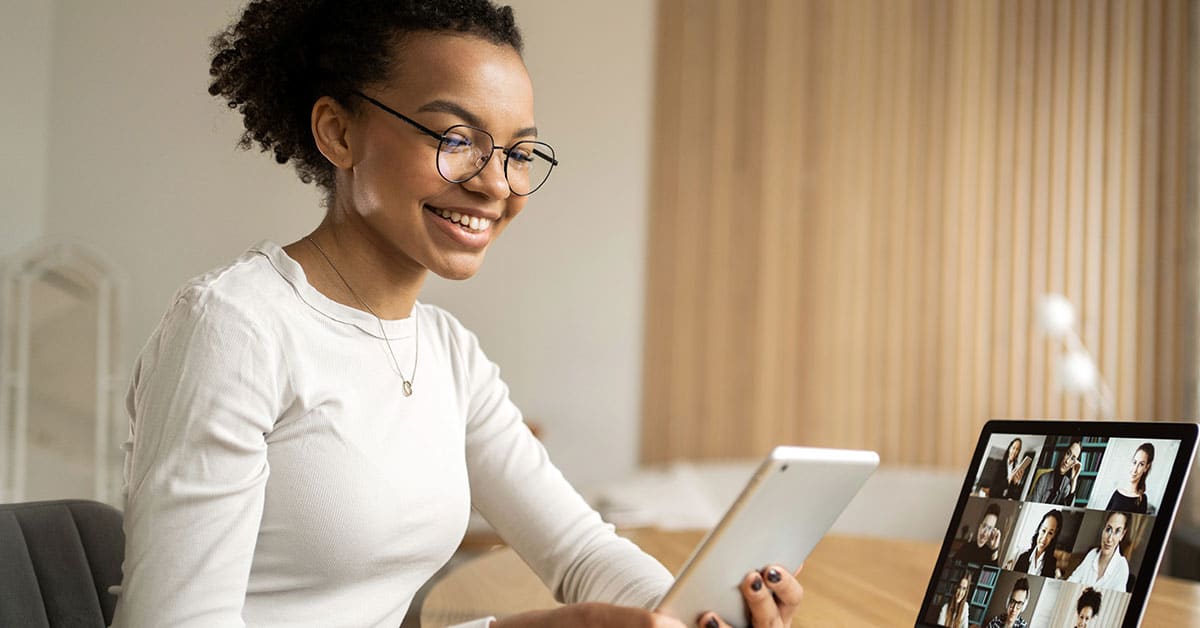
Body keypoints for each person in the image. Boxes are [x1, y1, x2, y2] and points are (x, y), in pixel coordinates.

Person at [110, 2, 803, 627]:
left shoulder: (446, 352)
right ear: (338, 132)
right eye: (455, 137)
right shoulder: (234, 328)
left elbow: (580, 551)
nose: (495, 183)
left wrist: (692, 614)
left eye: (519, 153)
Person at [1068, 511, 1132, 592]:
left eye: (1117, 531)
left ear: (1122, 535)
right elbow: (1072, 580)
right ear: (1104, 529)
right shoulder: (1092, 554)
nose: (1109, 539)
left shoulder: (1122, 566)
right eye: (1108, 529)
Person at [1029, 440, 1083, 506]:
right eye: (1068, 453)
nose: (1067, 461)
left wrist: (1074, 480)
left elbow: (1067, 512)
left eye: (1073, 458)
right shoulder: (1043, 478)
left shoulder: (1067, 487)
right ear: (1064, 453)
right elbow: (1033, 506)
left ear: (1074, 464)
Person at [1105, 443, 1155, 514]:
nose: (1135, 469)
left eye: (1141, 464)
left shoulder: (1142, 499)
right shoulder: (1117, 493)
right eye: (1134, 462)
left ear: (1146, 468)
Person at [1013, 509, 1062, 578]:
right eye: (1043, 530)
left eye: (1050, 533)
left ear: (1054, 537)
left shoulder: (1051, 564)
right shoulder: (1022, 557)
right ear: (1039, 529)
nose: (1044, 538)